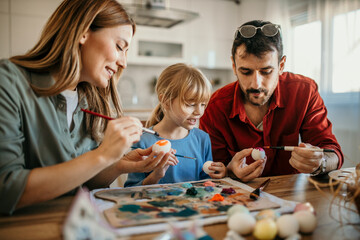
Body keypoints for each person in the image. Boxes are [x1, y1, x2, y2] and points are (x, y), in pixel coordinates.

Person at [0, 0, 172, 215]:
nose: (123, 63)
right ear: (83, 32)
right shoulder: (8, 81)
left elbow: (83, 182)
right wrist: (103, 156)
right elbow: (6, 189)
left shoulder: (90, 100)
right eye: (120, 47)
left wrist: (118, 164)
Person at [200, 20, 344, 182]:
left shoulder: (304, 91)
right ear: (234, 66)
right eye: (246, 71)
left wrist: (320, 162)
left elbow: (333, 153)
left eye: (266, 71)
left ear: (281, 65)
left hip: (290, 195)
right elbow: (210, 169)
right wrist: (229, 171)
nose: (256, 84)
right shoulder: (215, 106)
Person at [125, 63, 227, 187]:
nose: (199, 112)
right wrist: (156, 176)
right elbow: (130, 191)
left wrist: (218, 173)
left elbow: (206, 183)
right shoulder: (143, 141)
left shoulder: (202, 139)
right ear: (166, 101)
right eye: (190, 104)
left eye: (203, 104)